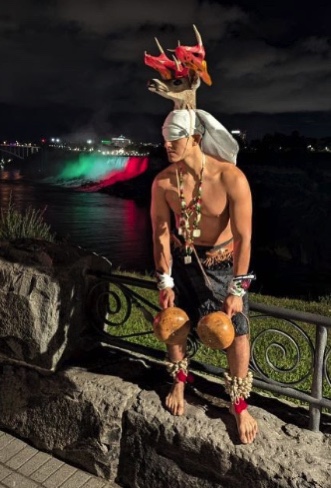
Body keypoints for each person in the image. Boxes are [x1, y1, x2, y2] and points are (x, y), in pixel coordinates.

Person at [150, 108, 258, 444]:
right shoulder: (164, 181)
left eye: (175, 138)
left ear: (195, 138)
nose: (167, 144)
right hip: (184, 262)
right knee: (174, 323)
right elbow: (161, 234)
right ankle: (180, 381)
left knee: (236, 332)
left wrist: (237, 289)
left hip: (224, 266)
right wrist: (165, 280)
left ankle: (239, 404)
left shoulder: (231, 178)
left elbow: (243, 239)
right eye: (165, 138)